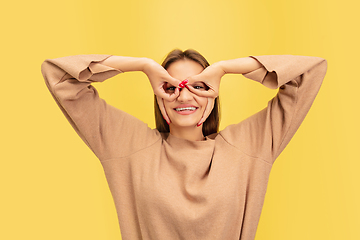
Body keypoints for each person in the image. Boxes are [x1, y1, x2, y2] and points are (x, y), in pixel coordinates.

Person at [41, 49, 327, 240]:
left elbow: (310, 71)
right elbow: (60, 75)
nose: (184, 95)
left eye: (198, 86)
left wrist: (226, 69)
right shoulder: (129, 146)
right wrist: (142, 66)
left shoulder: (249, 146)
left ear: (213, 94)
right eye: (171, 86)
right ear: (157, 93)